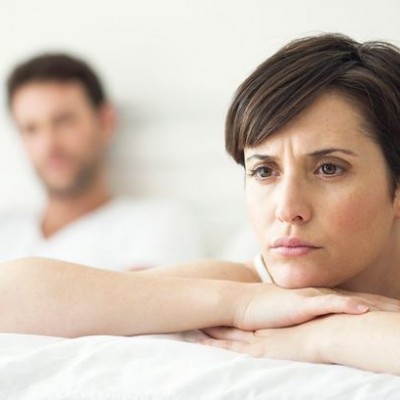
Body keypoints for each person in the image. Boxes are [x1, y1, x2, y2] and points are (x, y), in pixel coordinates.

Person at [0, 32, 400, 375]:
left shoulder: (157, 220)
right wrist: (242, 303)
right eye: (264, 171)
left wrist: (328, 333)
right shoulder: (250, 287)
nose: (287, 208)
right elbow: (11, 296)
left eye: (329, 169)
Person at [1, 53, 203, 270]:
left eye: (64, 122)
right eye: (31, 129)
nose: (49, 144)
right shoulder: (6, 231)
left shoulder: (156, 223)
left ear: (106, 122)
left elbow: (138, 293)